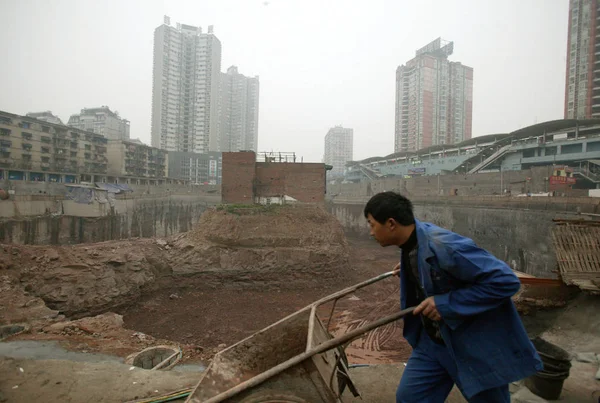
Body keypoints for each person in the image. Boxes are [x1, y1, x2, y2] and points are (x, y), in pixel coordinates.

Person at [363, 191, 542, 403]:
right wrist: (415, 268)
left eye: (372, 224)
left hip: (470, 345)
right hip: (433, 344)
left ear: (391, 223)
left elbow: (506, 281)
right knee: (410, 398)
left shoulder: (446, 246)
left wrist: (446, 303)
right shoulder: (414, 245)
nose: (370, 232)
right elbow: (437, 272)